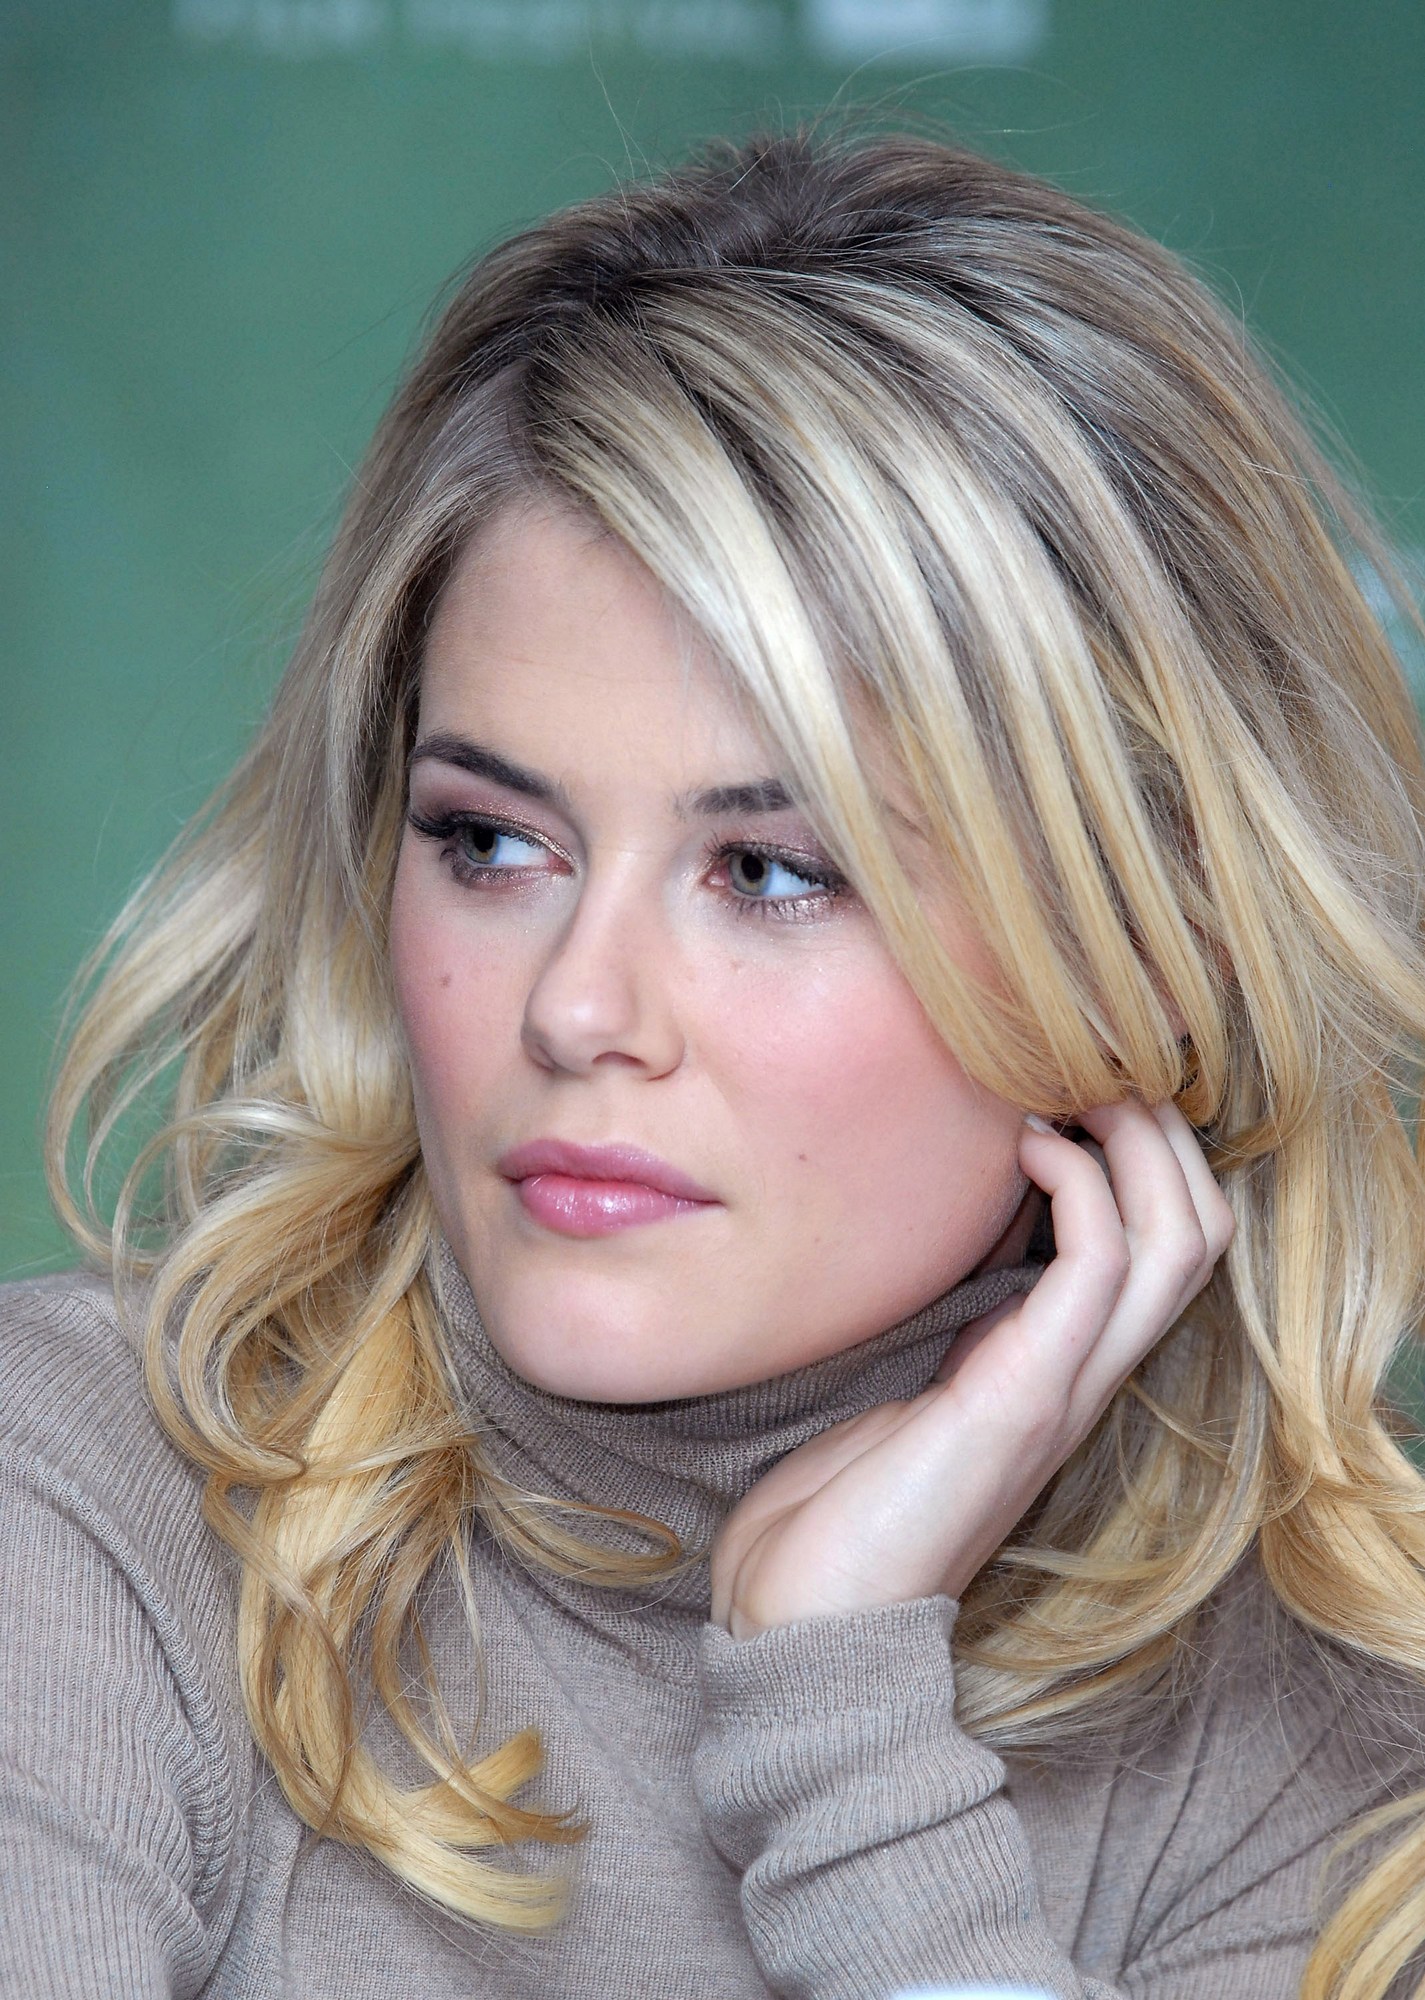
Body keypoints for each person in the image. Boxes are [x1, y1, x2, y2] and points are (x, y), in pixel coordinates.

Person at [4, 126, 1425, 2000]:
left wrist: (857, 1757)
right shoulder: (77, 1496)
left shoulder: (1325, 1754)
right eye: (491, 842)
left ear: (1151, 956)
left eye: (770, 872)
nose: (576, 1009)